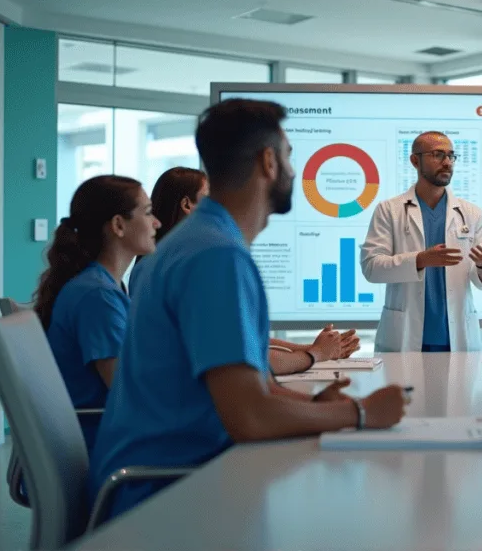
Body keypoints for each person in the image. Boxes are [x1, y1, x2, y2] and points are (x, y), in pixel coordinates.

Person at [89, 99, 406, 520]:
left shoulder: (202, 242)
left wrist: (314, 408)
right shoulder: (216, 256)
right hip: (163, 492)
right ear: (269, 162)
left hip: (176, 472)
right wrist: (361, 413)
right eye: (290, 156)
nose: (294, 170)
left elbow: (248, 385)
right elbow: (249, 416)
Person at [133, 166, 360, 374]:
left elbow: (244, 339)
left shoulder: (158, 264)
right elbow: (249, 357)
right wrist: (316, 354)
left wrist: (311, 348)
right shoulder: (185, 271)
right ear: (187, 205)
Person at [33, 175, 160, 451]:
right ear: (118, 225)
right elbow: (130, 393)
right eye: (149, 213)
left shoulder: (101, 286)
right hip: (109, 448)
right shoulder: (97, 297)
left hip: (110, 437)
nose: (157, 223)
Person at [360, 131, 482, 353]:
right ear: (414, 160)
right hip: (404, 337)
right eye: (437, 155)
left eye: (451, 156)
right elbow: (372, 268)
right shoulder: (389, 210)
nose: (447, 162)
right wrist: (420, 260)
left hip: (457, 338)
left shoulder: (471, 213)